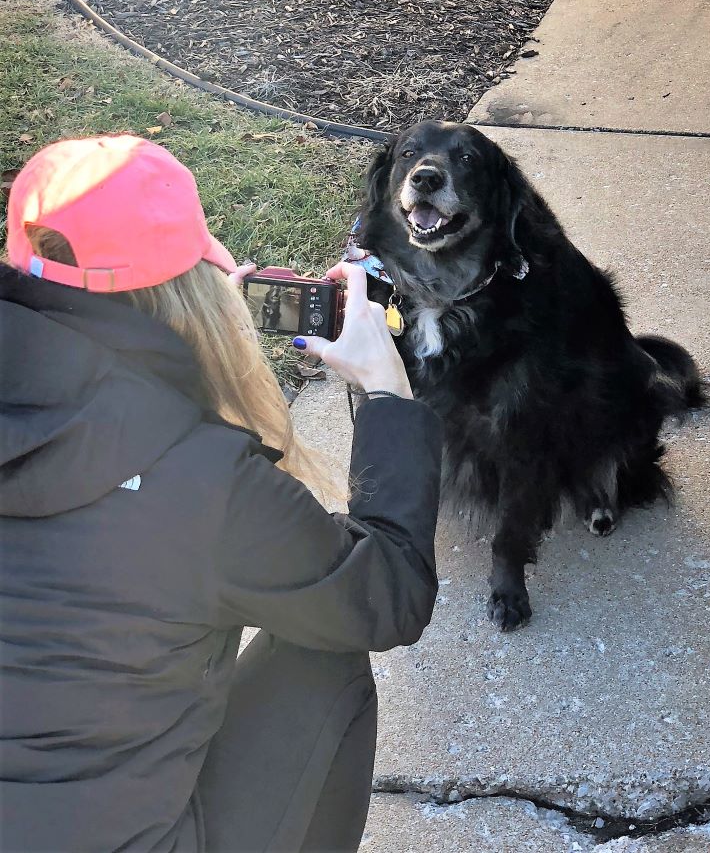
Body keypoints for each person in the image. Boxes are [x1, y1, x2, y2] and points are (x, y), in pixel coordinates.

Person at [0, 135, 443, 852]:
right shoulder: (204, 483)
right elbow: (387, 595)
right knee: (323, 648)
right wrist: (387, 395)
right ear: (194, 286)